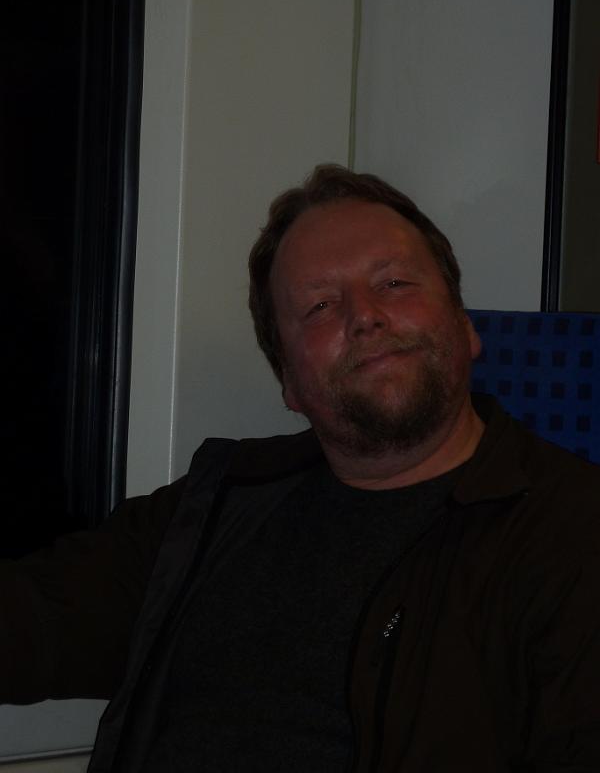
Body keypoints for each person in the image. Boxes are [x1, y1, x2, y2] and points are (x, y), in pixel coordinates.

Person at [1, 164, 599, 772]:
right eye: (319, 305)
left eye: (394, 282)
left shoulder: (573, 536)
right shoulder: (218, 509)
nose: (364, 315)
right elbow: (32, 619)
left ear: (465, 327)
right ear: (288, 380)